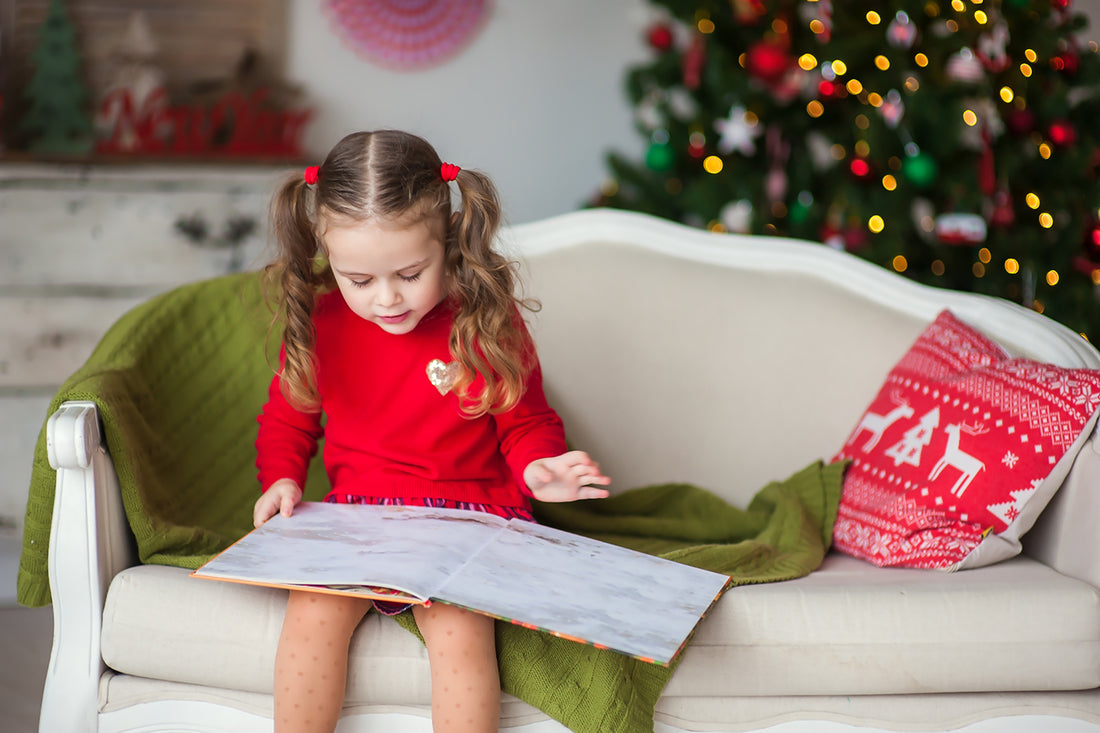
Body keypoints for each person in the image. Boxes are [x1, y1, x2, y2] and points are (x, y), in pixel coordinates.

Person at [252, 129, 611, 733]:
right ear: (327, 256)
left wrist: (538, 468)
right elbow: (287, 419)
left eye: (410, 273)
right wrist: (282, 479)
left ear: (446, 241)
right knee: (312, 608)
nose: (387, 299)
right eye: (358, 280)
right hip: (358, 513)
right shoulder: (321, 323)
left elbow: (525, 421)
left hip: (467, 512)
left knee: (460, 629)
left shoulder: (484, 319)